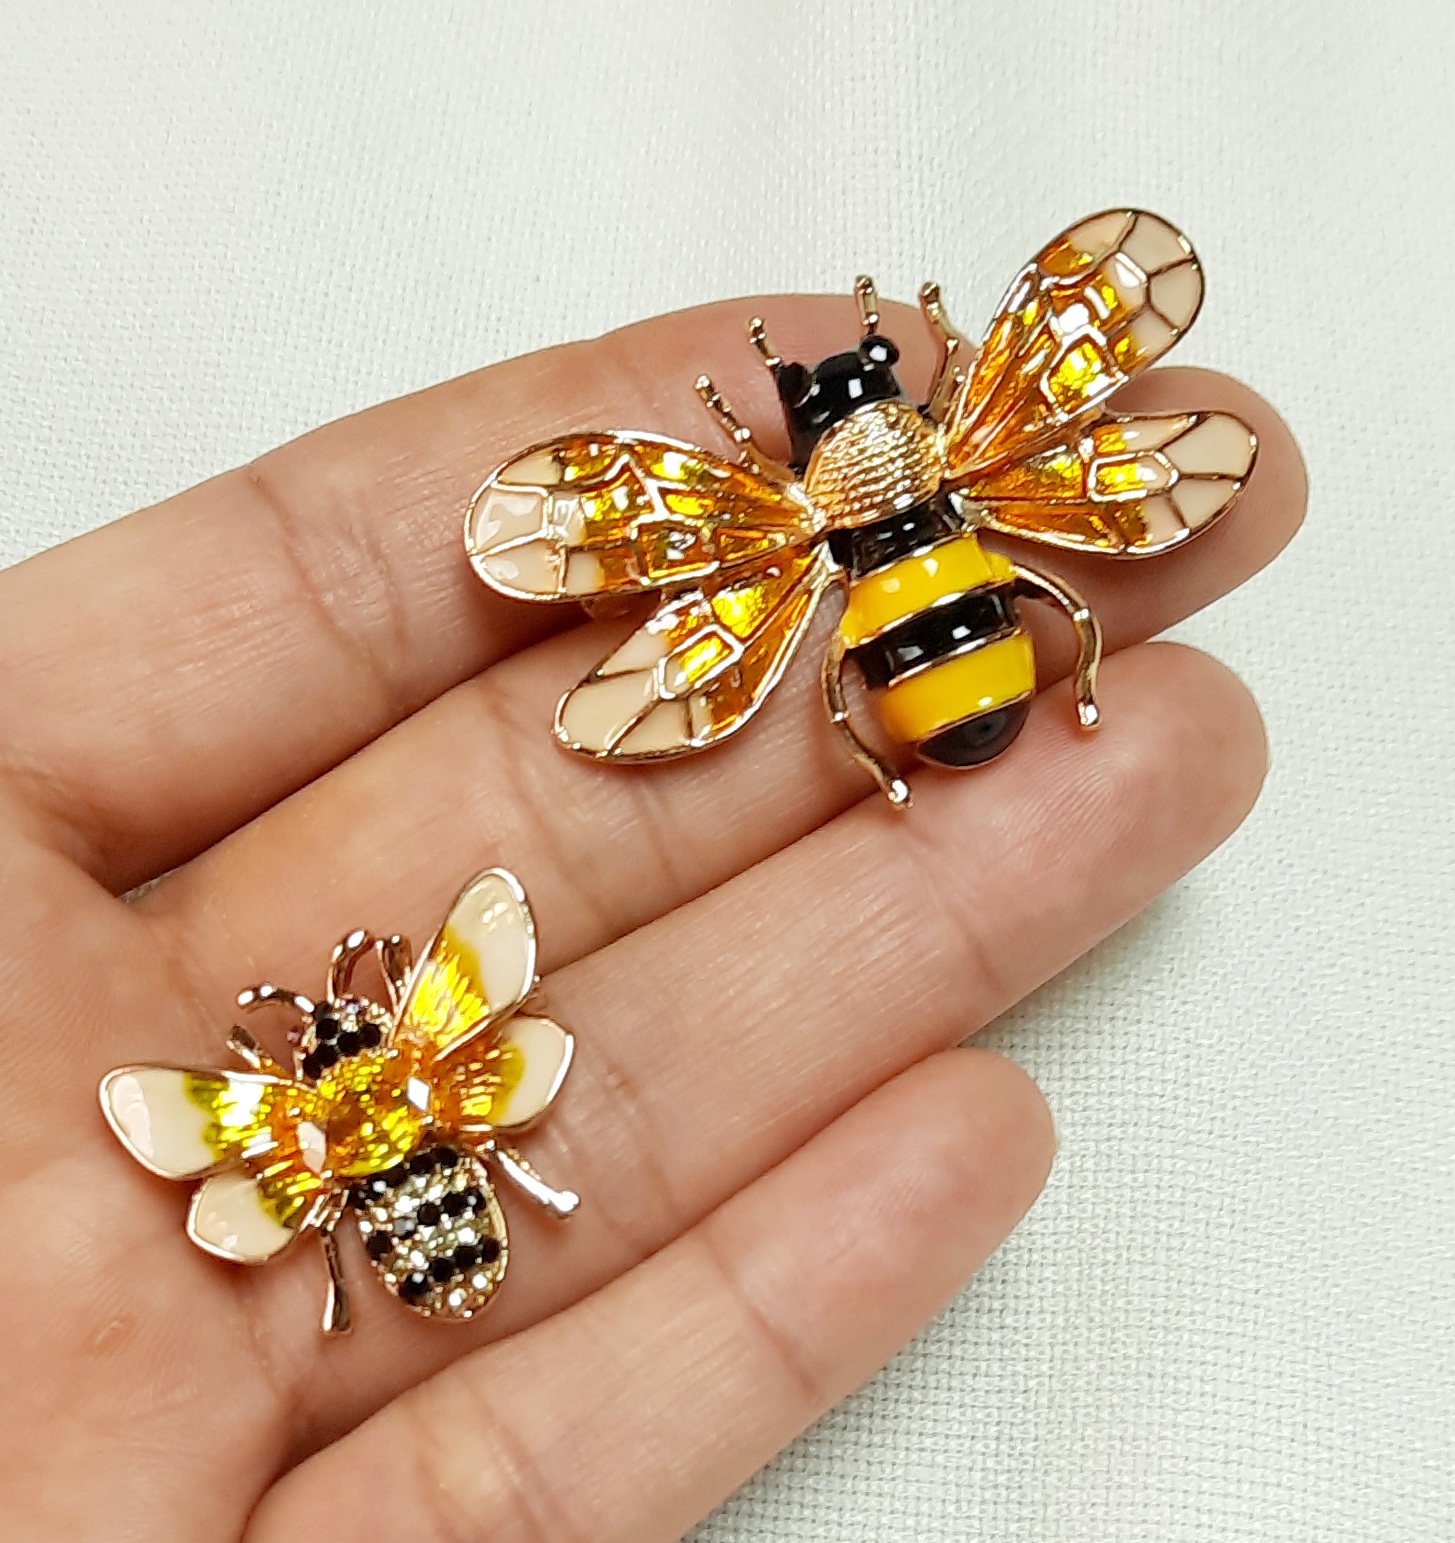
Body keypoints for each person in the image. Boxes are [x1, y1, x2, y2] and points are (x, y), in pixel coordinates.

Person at [0, 293, 1304, 1540]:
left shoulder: (307, 1121)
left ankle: (915, 742)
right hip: (956, 634)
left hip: (892, 668)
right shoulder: (430, 1057)